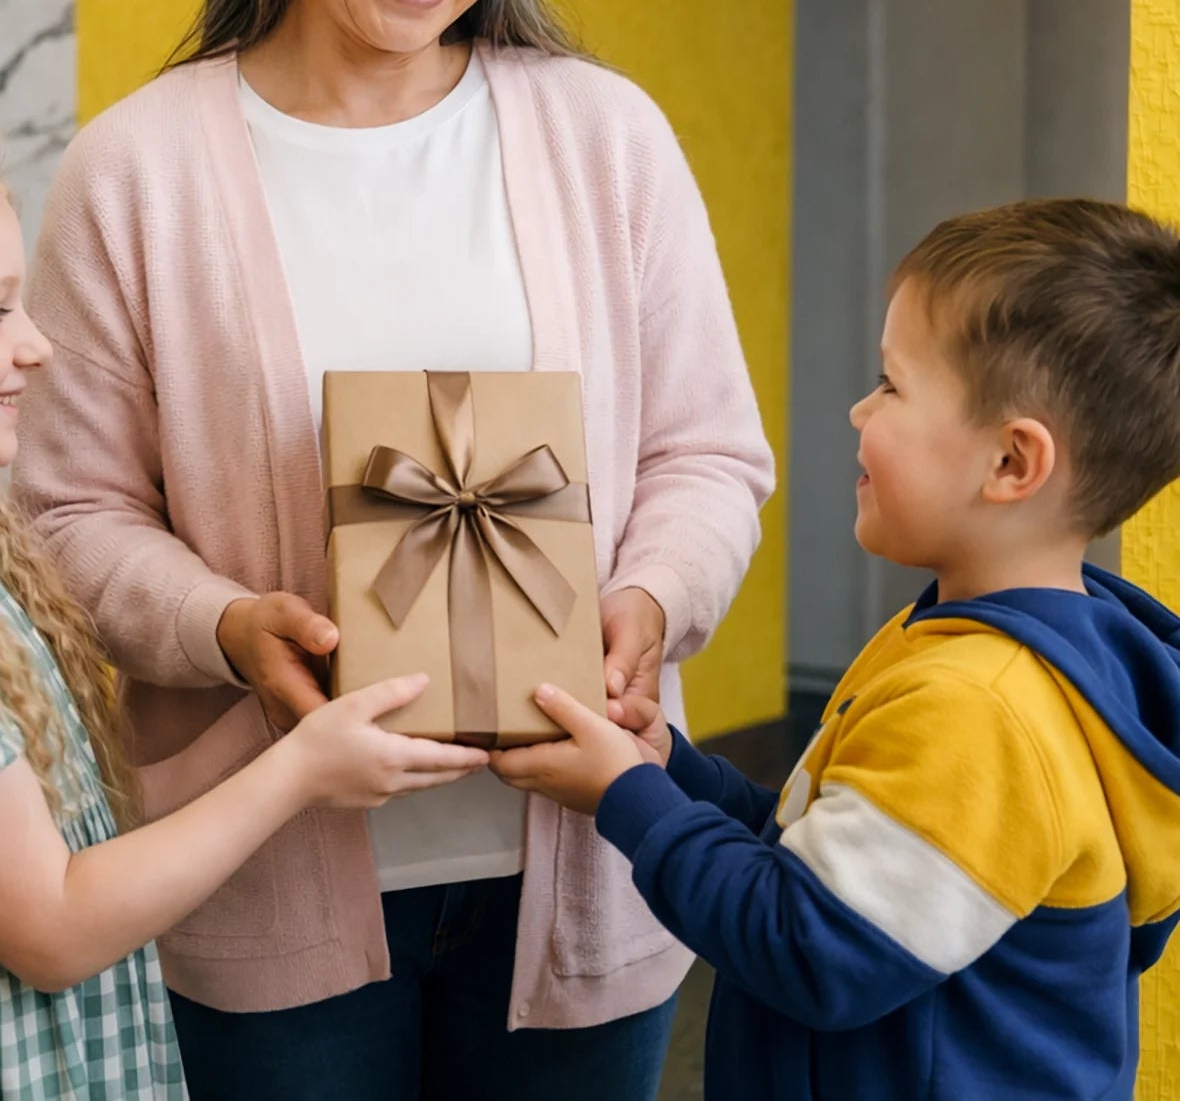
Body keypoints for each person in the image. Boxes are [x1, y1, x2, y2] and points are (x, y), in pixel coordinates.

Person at [13, 0, 774, 1101]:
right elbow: (64, 518)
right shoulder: (138, 171)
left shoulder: (604, 136)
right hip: (263, 877)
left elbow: (707, 457)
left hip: (583, 862)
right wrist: (230, 622)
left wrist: (645, 603)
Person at [0, 109, 486, 1099]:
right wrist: (301, 774)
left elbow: (50, 829)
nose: (38, 349)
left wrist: (282, 698)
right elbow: (53, 926)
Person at [494, 197, 1180, 1101]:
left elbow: (807, 948)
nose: (860, 410)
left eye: (893, 386)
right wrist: (671, 770)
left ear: (1012, 463)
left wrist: (628, 800)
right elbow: (824, 860)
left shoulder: (981, 709)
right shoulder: (990, 648)